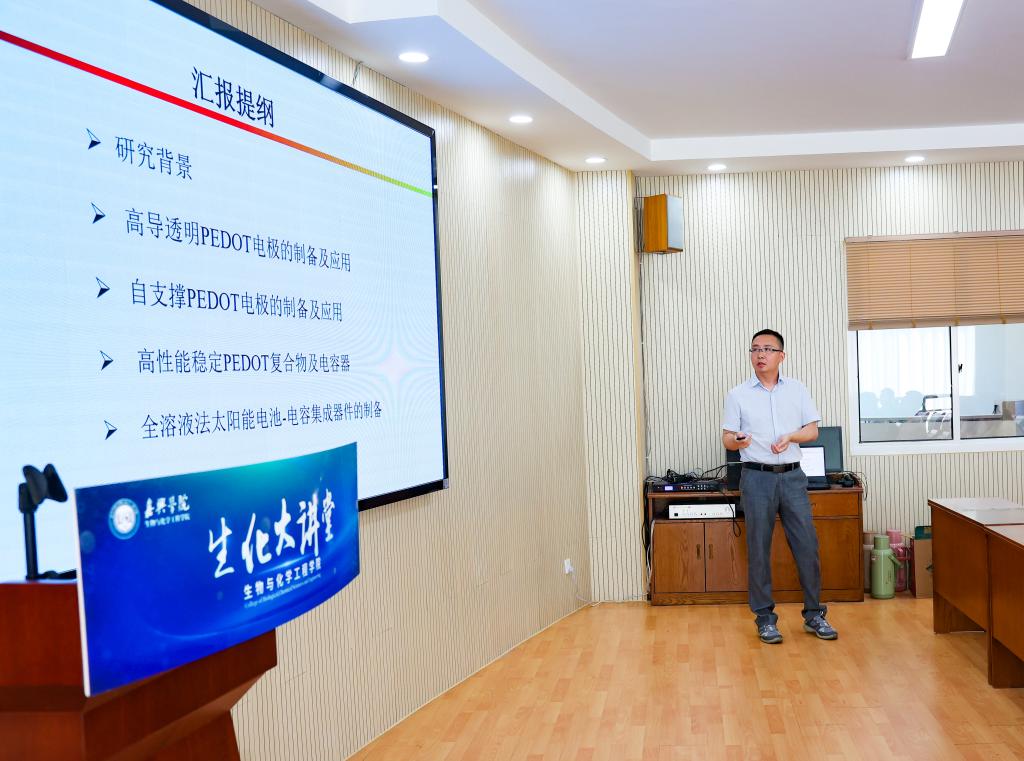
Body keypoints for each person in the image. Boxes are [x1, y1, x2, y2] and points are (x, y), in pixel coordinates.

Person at [721, 329, 838, 644]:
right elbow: (727, 438)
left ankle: (814, 615)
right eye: (755, 349)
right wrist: (737, 440)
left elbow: (812, 431)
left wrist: (790, 437)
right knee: (758, 549)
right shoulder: (737, 394)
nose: (760, 354)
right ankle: (765, 619)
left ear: (781, 356)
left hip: (792, 477)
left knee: (807, 546)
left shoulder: (797, 390)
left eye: (768, 349)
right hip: (756, 477)